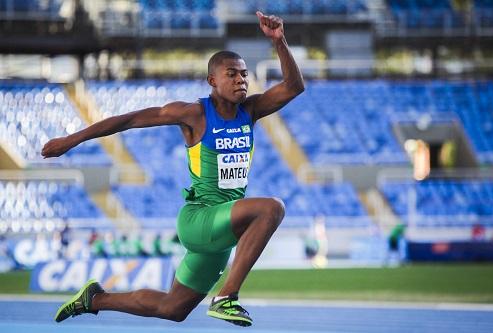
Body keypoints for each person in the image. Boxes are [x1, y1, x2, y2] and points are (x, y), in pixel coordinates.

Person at [42, 11, 304, 327]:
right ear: (212, 80)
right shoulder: (193, 114)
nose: (241, 80)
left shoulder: (251, 110)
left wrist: (279, 41)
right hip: (199, 220)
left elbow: (293, 86)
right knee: (271, 208)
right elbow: (128, 120)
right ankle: (226, 297)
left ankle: (95, 299)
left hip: (221, 232)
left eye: (244, 74)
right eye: (231, 74)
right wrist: (70, 140)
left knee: (173, 308)